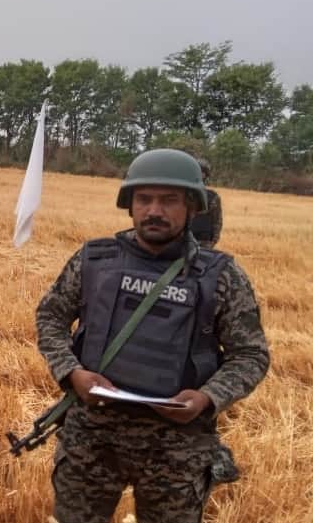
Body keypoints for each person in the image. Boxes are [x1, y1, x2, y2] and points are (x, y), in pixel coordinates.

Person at [35, 148, 269, 523]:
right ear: (129, 205)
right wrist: (72, 372)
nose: (154, 210)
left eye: (169, 200)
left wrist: (207, 397)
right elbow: (50, 316)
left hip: (177, 448)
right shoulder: (94, 260)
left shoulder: (221, 276)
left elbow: (251, 355)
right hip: (92, 438)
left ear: (192, 206)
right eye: (144, 199)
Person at [190, 158, 222, 248]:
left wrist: (212, 242)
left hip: (204, 242)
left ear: (205, 175)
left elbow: (217, 222)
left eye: (202, 172)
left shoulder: (212, 197)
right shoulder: (182, 194)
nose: (200, 175)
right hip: (183, 241)